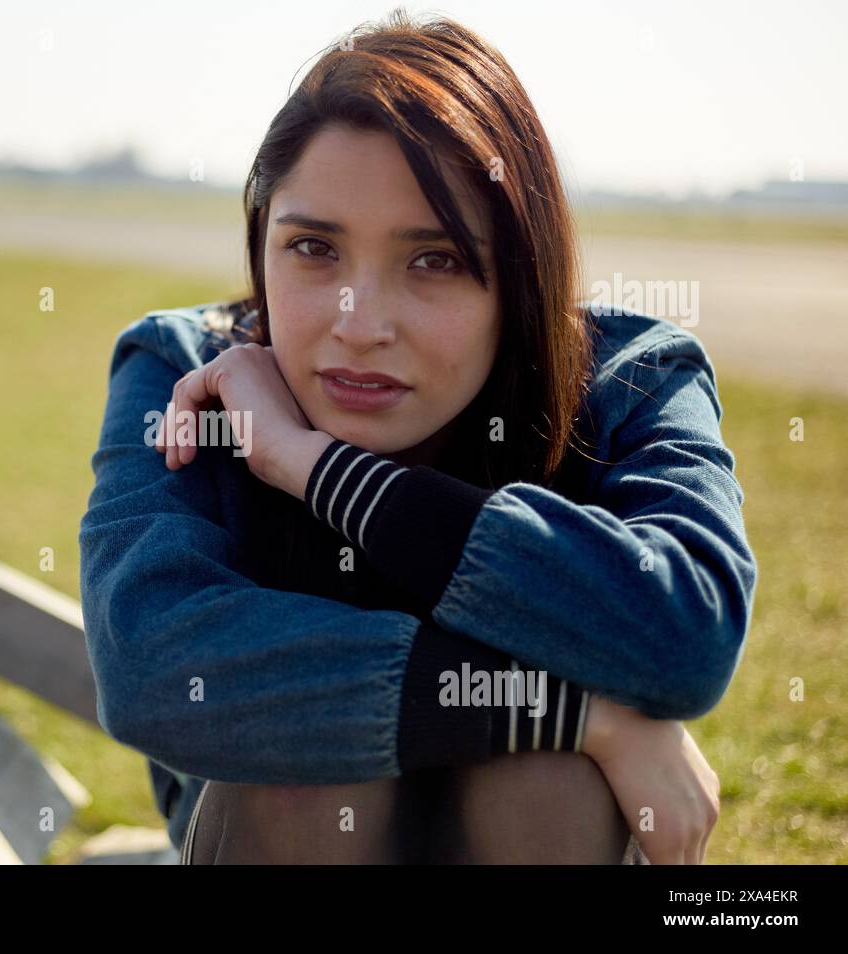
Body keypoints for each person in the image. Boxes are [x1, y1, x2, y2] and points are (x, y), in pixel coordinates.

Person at [78, 10, 756, 864]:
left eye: (432, 259)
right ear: (260, 243)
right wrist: (572, 711)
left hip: (534, 828)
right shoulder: (184, 370)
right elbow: (152, 668)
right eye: (314, 248)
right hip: (274, 828)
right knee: (309, 781)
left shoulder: (631, 377)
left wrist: (315, 466)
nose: (360, 326)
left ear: (520, 272)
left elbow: (686, 637)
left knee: (548, 783)